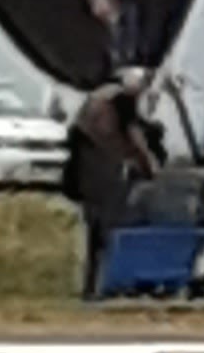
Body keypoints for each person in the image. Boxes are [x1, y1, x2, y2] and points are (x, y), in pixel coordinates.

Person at [62, 74, 146, 294]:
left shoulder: (96, 101)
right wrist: (148, 166)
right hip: (103, 177)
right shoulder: (118, 102)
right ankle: (105, 284)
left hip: (88, 176)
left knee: (95, 235)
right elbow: (134, 139)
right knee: (108, 232)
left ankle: (92, 285)